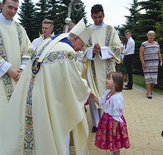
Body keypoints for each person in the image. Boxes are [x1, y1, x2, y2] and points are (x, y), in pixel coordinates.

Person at [0, 19, 93, 155]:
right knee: (59, 135)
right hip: (52, 102)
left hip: (32, 98)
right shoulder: (67, 52)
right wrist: (88, 90)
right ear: (75, 38)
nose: (81, 48)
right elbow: (75, 84)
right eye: (82, 44)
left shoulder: (47, 42)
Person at [84, 4, 121, 133]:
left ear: (103, 15)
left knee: (108, 94)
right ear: (91, 17)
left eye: (100, 17)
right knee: (93, 93)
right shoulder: (87, 31)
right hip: (93, 68)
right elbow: (82, 49)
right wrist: (92, 51)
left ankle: (107, 122)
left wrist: (102, 50)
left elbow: (117, 48)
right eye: (95, 17)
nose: (98, 20)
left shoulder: (111, 30)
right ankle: (96, 123)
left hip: (107, 69)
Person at [0, 0, 32, 123]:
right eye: (10, 7)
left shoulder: (19, 28)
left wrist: (23, 69)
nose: (12, 11)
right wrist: (9, 69)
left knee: (17, 118)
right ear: (1, 5)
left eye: (15, 9)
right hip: (3, 79)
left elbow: (28, 50)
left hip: (18, 79)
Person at [90, 71, 130, 155]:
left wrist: (114, 128)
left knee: (116, 143)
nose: (106, 80)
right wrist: (93, 97)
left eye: (109, 78)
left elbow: (117, 115)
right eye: (107, 78)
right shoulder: (108, 93)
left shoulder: (117, 98)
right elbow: (101, 102)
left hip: (114, 123)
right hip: (107, 121)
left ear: (115, 83)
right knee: (110, 140)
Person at [139, 30, 163, 99]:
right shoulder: (144, 44)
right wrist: (143, 62)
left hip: (155, 64)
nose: (151, 36)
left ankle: (150, 90)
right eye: (150, 35)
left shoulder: (156, 44)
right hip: (147, 64)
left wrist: (161, 61)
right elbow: (141, 54)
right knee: (147, 78)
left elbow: (159, 53)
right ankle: (149, 92)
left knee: (154, 79)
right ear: (147, 36)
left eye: (153, 35)